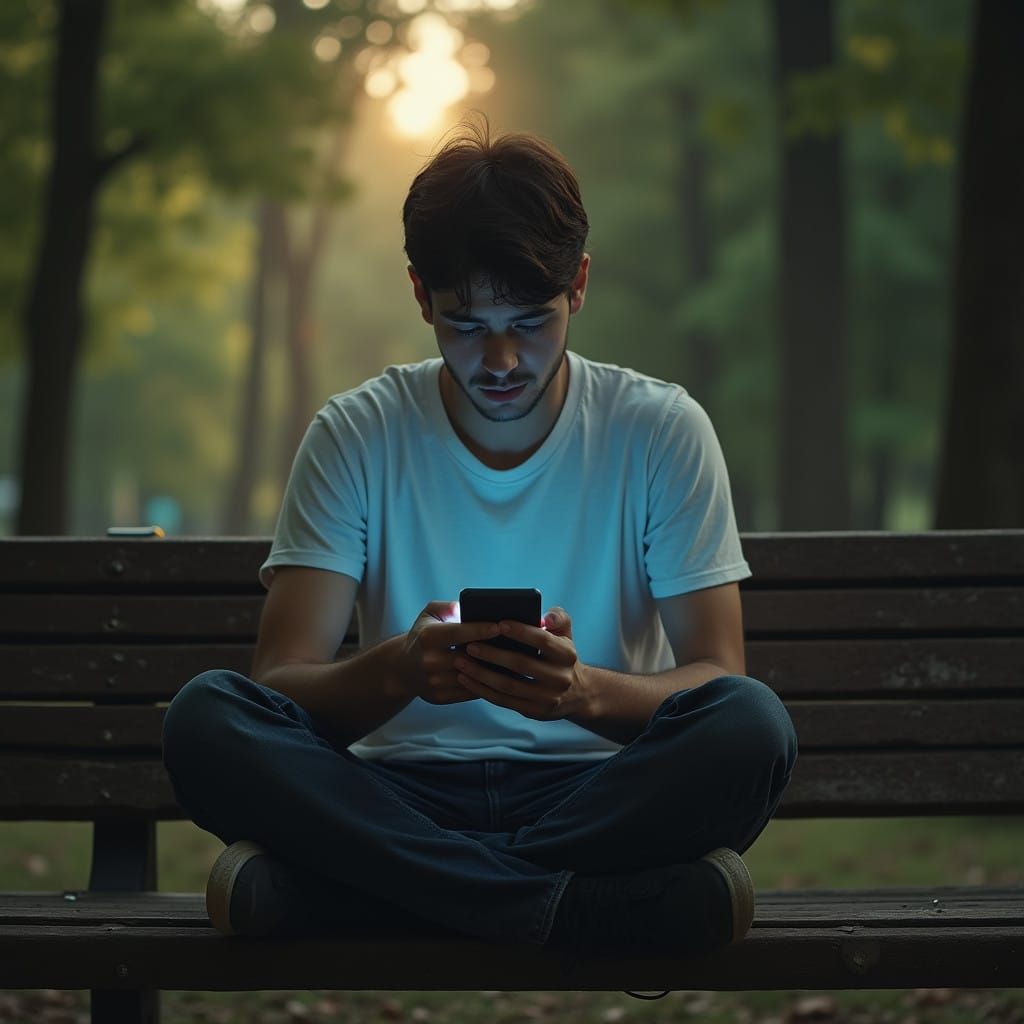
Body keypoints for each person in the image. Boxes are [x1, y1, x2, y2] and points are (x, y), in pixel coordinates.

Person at [161, 115, 798, 964]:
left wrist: (584, 696)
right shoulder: (356, 433)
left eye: (529, 321)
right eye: (465, 325)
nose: (500, 359)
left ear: (577, 284)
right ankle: (580, 909)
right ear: (421, 295)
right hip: (393, 794)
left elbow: (720, 679)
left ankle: (355, 895)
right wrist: (397, 672)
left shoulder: (660, 429)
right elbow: (277, 685)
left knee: (752, 726)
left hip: (593, 794)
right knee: (205, 717)